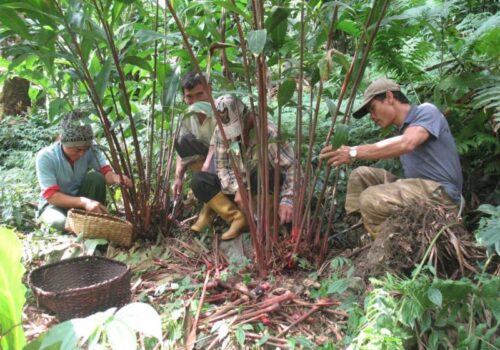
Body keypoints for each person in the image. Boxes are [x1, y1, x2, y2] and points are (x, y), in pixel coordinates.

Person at [320, 78, 463, 239]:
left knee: (370, 198)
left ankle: (388, 245)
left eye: (372, 108)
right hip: (417, 190)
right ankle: (366, 231)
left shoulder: (426, 111)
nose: (372, 116)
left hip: (441, 194)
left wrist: (353, 152)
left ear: (389, 97)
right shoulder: (403, 130)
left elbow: (408, 143)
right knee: (360, 175)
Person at [191, 95, 296, 240]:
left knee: (261, 171)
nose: (237, 136)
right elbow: (222, 168)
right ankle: (239, 218)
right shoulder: (220, 131)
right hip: (239, 191)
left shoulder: (268, 132)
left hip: (263, 186)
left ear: (248, 116)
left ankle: (268, 222)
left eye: (239, 129)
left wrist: (288, 200)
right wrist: (237, 188)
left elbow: (292, 167)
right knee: (199, 181)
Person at [35, 111, 132, 231]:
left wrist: (117, 178)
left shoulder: (90, 150)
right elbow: (52, 196)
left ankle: (88, 222)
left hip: (80, 201)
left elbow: (105, 172)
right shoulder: (46, 157)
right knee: (57, 222)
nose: (82, 153)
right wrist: (84, 202)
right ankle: (82, 225)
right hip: (54, 205)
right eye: (77, 149)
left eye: (85, 149)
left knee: (96, 177)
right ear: (64, 143)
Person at [173, 71, 218, 232]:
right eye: (189, 97)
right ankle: (211, 202)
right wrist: (178, 177)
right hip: (205, 160)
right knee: (182, 141)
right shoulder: (187, 116)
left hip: (228, 160)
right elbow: (182, 150)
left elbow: (218, 143)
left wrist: (206, 168)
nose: (195, 101)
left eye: (200, 94)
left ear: (210, 90)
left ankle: (210, 205)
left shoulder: (221, 110)